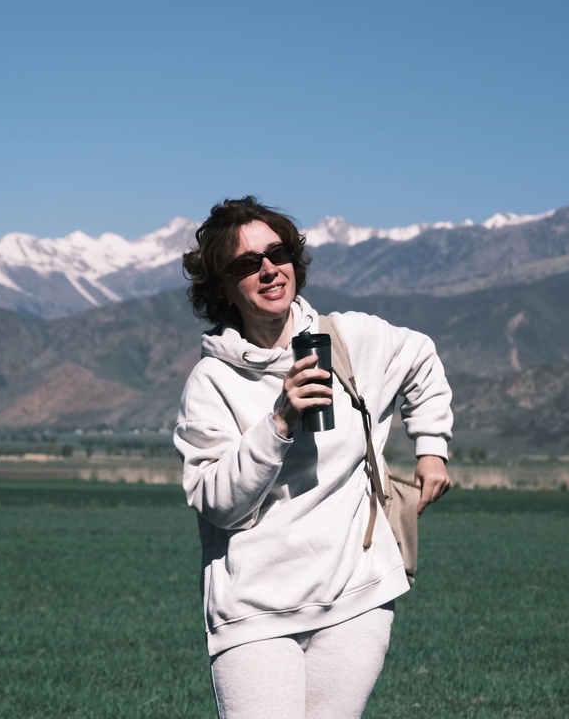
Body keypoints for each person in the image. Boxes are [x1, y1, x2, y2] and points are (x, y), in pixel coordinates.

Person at [175, 196, 454, 718]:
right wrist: (278, 422)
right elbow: (216, 502)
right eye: (244, 264)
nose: (267, 269)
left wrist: (432, 447)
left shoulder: (349, 338)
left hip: (355, 596)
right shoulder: (212, 382)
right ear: (222, 287)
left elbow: (421, 358)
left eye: (276, 253)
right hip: (255, 611)